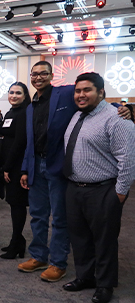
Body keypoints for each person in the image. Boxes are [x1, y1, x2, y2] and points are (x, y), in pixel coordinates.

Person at [18, 61, 130, 282]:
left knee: (60, 218)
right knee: (38, 216)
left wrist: (125, 108)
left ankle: (58, 263)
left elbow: (94, 99)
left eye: (43, 74)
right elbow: (29, 142)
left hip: (57, 167)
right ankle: (38, 255)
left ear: (51, 76)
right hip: (35, 167)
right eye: (35, 74)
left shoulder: (66, 92)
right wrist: (24, 168)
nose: (38, 77)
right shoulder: (31, 106)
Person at [62, 72, 135, 303]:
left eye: (87, 90)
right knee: (79, 238)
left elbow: (128, 159)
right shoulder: (76, 116)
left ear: (101, 92)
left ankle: (105, 285)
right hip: (74, 187)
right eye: (78, 91)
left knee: (104, 240)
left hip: (103, 190)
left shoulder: (117, 118)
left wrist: (120, 193)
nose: (81, 95)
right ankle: (85, 277)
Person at [0, 82, 31, 259]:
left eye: (18, 93)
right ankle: (17, 241)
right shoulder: (10, 112)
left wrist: (7, 167)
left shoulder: (25, 112)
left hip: (17, 166)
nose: (14, 95)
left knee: (18, 205)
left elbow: (19, 142)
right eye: (11, 92)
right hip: (9, 164)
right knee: (13, 205)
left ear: (25, 95)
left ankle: (17, 243)